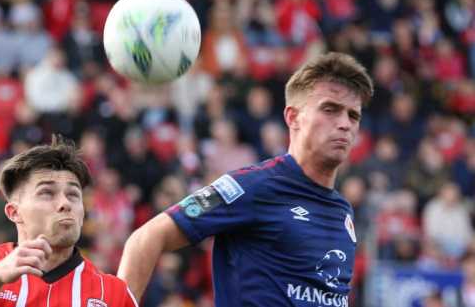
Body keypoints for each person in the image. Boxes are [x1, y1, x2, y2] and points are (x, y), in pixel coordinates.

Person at [118, 52, 374, 306]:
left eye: (353, 115)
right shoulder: (250, 187)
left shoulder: (343, 211)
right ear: (293, 117)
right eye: (330, 109)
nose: (344, 124)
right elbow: (147, 238)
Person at [0, 136, 138, 307]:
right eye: (47, 193)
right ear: (14, 212)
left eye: (73, 194)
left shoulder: (114, 292)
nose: (65, 203)